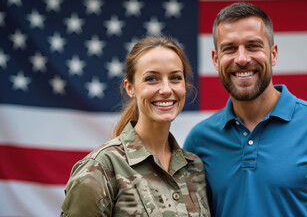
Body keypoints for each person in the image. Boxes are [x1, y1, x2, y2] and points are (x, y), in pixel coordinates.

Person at [183, 2, 307, 216]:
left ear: (273, 54)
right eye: (230, 48)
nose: (242, 58)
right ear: (216, 60)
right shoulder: (199, 141)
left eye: (253, 46)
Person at [61, 36, 210, 216]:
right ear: (130, 87)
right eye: (152, 78)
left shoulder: (195, 168)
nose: (166, 89)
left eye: (175, 78)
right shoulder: (100, 168)